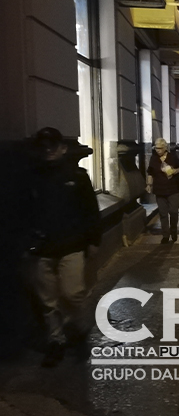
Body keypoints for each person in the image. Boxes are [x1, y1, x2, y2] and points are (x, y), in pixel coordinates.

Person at [27, 127, 101, 367]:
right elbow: (20, 212)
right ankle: (56, 341)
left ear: (63, 148)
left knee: (73, 293)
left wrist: (93, 241)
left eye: (52, 145)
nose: (48, 149)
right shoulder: (32, 176)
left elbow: (91, 210)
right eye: (44, 146)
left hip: (72, 245)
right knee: (48, 301)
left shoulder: (77, 176)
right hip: (42, 248)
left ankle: (78, 330)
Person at [147, 138, 179, 244]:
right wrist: (149, 185)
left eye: (159, 148)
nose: (157, 150)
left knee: (173, 211)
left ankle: (173, 231)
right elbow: (150, 172)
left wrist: (175, 171)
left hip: (173, 189)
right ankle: (165, 235)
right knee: (163, 213)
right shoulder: (153, 158)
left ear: (165, 148)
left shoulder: (172, 157)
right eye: (156, 148)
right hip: (159, 189)